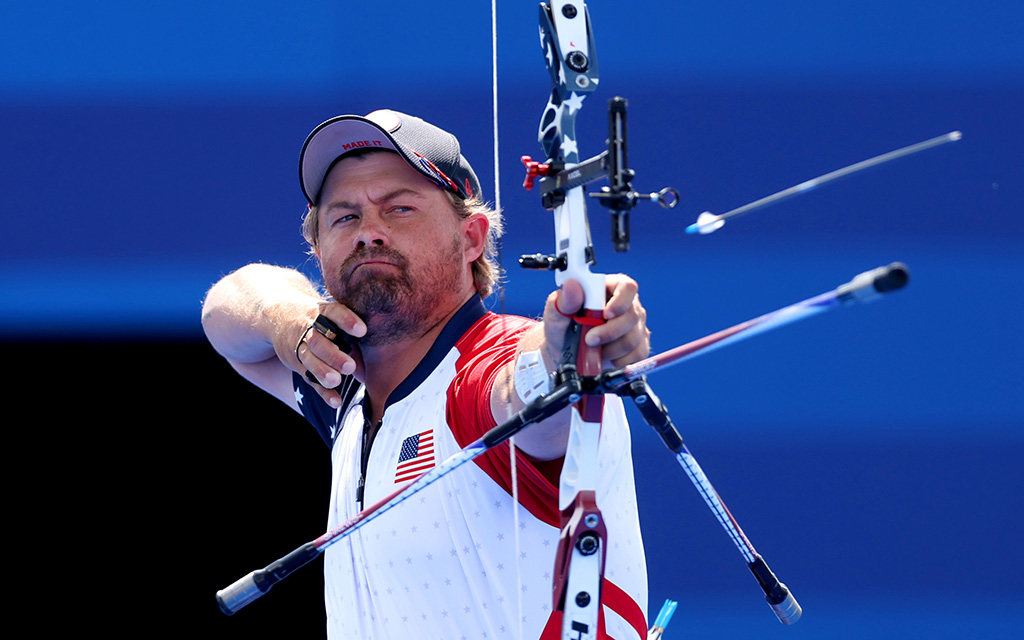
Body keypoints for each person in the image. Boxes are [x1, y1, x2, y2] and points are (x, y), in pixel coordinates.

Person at [202, 109, 651, 639]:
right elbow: (226, 318)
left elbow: (525, 391)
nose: (369, 232)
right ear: (318, 249)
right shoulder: (341, 383)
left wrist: (566, 351)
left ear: (472, 239)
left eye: (400, 209)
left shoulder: (483, 367)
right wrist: (289, 321)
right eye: (344, 217)